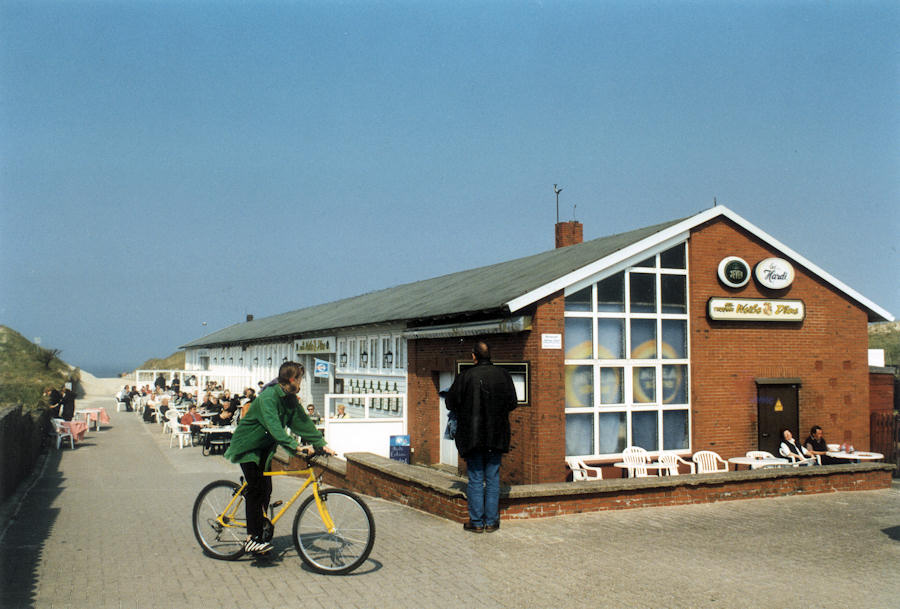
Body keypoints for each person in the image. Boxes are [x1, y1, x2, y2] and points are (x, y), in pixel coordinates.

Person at [224, 362, 335, 555]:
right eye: (301, 378)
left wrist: (321, 443)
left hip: (264, 449)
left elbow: (301, 421)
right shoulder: (268, 397)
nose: (302, 382)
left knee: (266, 489)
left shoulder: (289, 398)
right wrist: (295, 446)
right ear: (293, 380)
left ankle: (259, 533)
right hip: (248, 447)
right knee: (256, 489)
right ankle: (252, 538)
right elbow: (274, 427)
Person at [445, 341, 518, 533]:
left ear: (474, 356)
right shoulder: (503, 375)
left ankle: (476, 523)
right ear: (490, 355)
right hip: (497, 435)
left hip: (472, 436)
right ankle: (492, 522)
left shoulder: (465, 376)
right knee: (493, 478)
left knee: (476, 478)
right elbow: (512, 403)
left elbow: (450, 402)